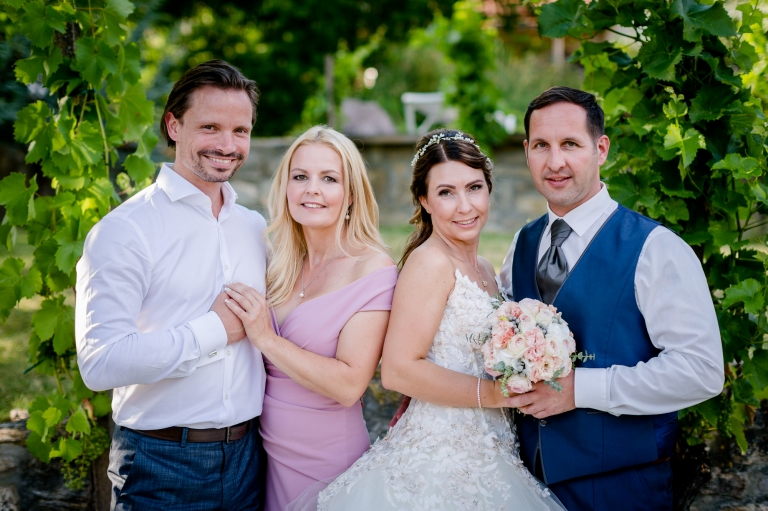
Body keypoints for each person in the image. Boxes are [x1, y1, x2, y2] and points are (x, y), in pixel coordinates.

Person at [280, 128, 565, 510]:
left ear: (489, 190)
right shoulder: (430, 261)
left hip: (489, 449)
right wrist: (496, 394)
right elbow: (398, 371)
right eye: (446, 192)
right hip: (440, 457)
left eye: (474, 188)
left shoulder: (483, 267)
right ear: (425, 201)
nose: (464, 206)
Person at [499, 86, 725, 510]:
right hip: (527, 485)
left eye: (570, 144)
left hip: (622, 490)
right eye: (541, 146)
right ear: (526, 150)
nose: (555, 162)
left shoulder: (655, 248)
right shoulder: (521, 244)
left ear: (600, 149)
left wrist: (579, 389)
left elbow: (702, 370)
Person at [75, 60, 266, 511]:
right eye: (211, 127)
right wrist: (214, 330)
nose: (227, 145)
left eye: (241, 130)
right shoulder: (125, 231)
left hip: (251, 458)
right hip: (160, 462)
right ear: (174, 125)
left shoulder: (256, 228)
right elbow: (100, 363)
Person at [220, 125, 397, 511]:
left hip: (328, 463)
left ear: (350, 196)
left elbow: (350, 384)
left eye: (328, 178)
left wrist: (267, 338)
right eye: (300, 177)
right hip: (262, 460)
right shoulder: (276, 264)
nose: (311, 189)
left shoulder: (372, 269)